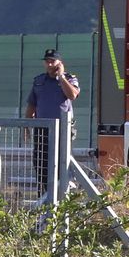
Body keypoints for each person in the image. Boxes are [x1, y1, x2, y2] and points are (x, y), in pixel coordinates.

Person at [25, 48, 80, 195]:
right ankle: (44, 198)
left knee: (62, 164)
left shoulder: (69, 79)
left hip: (62, 130)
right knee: (41, 165)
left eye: (52, 61)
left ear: (59, 63)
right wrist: (26, 127)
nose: (49, 64)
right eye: (47, 61)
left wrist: (61, 77)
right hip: (42, 129)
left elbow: (73, 95)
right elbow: (32, 104)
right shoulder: (39, 81)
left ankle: (62, 196)